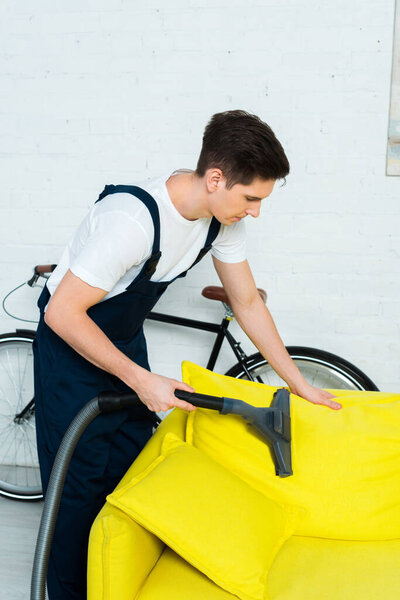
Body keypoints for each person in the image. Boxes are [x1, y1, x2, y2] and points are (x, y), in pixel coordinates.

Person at [33, 109, 341, 600]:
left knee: (132, 478)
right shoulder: (131, 219)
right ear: (216, 178)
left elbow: (245, 303)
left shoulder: (222, 222)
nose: (256, 211)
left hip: (123, 343)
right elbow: (63, 315)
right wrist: (141, 379)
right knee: (76, 495)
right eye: (252, 198)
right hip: (72, 353)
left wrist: (297, 382)